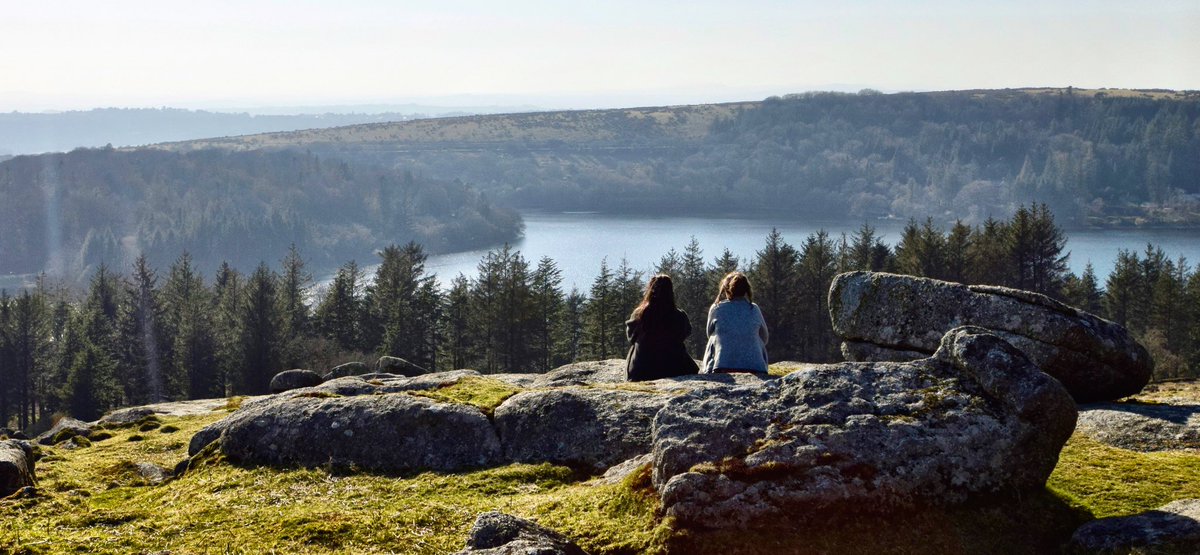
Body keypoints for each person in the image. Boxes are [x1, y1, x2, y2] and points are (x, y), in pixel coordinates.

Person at [625, 274, 700, 381]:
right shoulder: (679, 315)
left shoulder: (639, 314)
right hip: (675, 368)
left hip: (641, 371)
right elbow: (686, 333)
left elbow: (631, 338)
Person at [701, 272, 769, 374]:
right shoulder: (754, 308)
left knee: (714, 337)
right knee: (757, 337)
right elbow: (765, 338)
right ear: (746, 290)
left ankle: (709, 369)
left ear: (727, 289)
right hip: (756, 368)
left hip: (723, 367)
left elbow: (709, 334)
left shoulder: (717, 308)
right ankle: (757, 361)